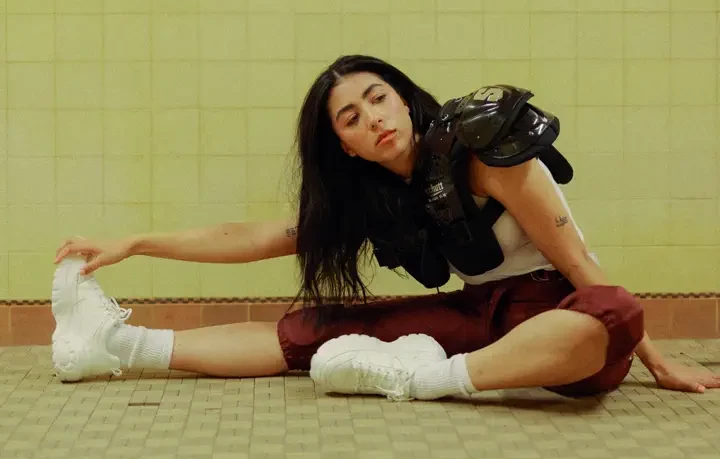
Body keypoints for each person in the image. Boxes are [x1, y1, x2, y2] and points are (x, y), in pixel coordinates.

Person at [51, 54, 720, 400]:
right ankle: (114, 344)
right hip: (479, 315)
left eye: (378, 98)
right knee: (312, 329)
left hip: (557, 316)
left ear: (402, 99)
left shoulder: (484, 152)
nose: (372, 118)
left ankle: (423, 380)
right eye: (351, 118)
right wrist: (137, 243)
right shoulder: (374, 196)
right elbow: (256, 238)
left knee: (615, 311)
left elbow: (578, 266)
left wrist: (656, 362)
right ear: (344, 146)